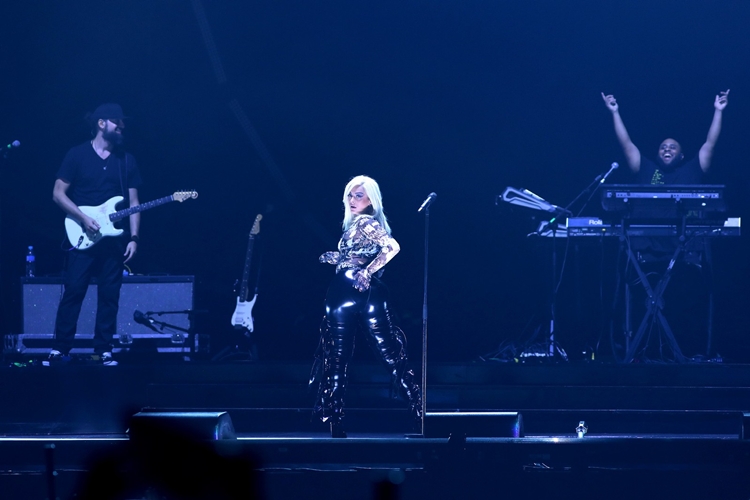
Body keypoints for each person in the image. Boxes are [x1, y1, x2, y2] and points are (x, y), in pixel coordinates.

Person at [310, 175, 422, 438]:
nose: (352, 200)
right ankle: (418, 413)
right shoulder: (358, 226)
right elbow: (358, 255)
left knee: (338, 356)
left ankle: (335, 420)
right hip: (366, 290)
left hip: (347, 288)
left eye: (358, 195)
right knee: (390, 354)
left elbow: (392, 247)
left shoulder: (365, 222)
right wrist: (337, 257)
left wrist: (367, 272)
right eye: (349, 195)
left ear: (371, 200)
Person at [45, 103, 142, 367]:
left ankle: (104, 349)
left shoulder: (126, 160)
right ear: (101, 123)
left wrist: (134, 237)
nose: (122, 126)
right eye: (117, 121)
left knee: (109, 295)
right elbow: (58, 194)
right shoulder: (77, 154)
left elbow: (134, 203)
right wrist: (83, 218)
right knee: (74, 290)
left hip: (114, 240)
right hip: (82, 234)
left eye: (122, 122)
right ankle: (60, 348)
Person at [601, 90, 729, 185]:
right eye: (663, 147)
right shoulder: (646, 168)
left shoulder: (693, 169)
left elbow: (710, 144)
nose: (667, 149)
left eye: (673, 147)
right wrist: (614, 112)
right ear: (657, 154)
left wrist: (718, 111)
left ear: (681, 156)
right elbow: (626, 145)